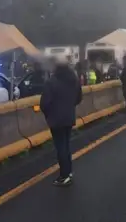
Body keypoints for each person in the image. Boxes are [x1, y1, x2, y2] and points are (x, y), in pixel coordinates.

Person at [40, 58, 83, 186]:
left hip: (56, 119)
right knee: (66, 145)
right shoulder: (74, 80)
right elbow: (79, 98)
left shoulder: (51, 82)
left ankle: (64, 175)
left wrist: (49, 114)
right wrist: (70, 106)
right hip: (69, 117)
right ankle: (68, 172)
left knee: (60, 147)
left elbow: (44, 103)